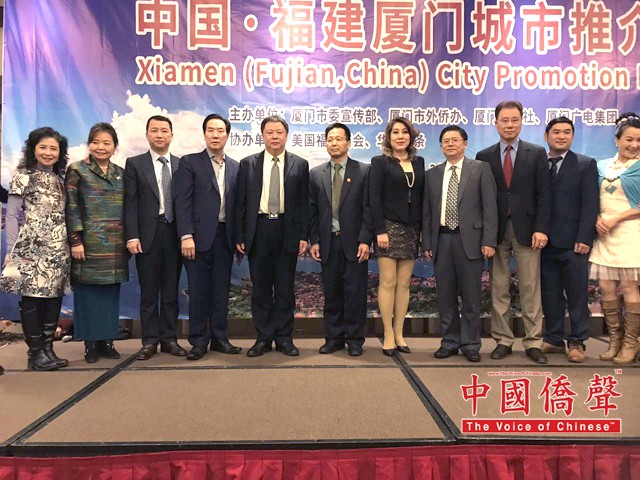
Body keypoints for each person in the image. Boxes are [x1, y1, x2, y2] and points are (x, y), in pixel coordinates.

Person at [476, 100, 551, 365]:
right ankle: (503, 340)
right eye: (504, 120)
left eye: (514, 120)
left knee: (530, 287)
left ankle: (533, 342)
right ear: (495, 123)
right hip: (496, 231)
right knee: (499, 288)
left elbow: (544, 194)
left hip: (528, 231)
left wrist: (541, 228)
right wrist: (485, 234)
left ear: (521, 122)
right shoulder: (484, 156)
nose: (509, 125)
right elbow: (481, 199)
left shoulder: (536, 153)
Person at [422, 125, 498, 362]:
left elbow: (490, 207)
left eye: (455, 140)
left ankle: (471, 344)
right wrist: (427, 242)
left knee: (471, 296)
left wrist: (489, 240)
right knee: (445, 296)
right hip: (442, 240)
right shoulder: (432, 175)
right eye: (445, 141)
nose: (450, 144)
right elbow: (427, 212)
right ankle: (449, 342)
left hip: (472, 242)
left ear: (465, 143)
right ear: (441, 146)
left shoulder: (480, 169)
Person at [235, 115, 309, 357]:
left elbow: (304, 204)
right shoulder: (248, 164)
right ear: (262, 135)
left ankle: (284, 339)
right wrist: (240, 235)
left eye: (279, 132)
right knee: (261, 289)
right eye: (270, 132)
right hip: (259, 229)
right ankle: (263, 338)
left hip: (287, 229)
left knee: (286, 289)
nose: (275, 136)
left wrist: (304, 235)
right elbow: (241, 204)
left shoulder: (300, 164)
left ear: (286, 135)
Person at [0, 127, 71, 370]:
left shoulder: (60, 179)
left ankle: (48, 350)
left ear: (60, 152)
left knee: (54, 297)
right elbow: (12, 215)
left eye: (53, 148)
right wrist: (10, 250)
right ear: (33, 150)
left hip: (58, 247)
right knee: (32, 298)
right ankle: (35, 353)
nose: (48, 153)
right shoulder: (23, 176)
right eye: (43, 147)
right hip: (31, 247)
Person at [174, 114, 242, 360]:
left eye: (220, 131)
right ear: (204, 134)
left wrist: (239, 238)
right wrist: (186, 235)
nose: (216, 135)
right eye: (211, 130)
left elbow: (239, 206)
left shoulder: (236, 166)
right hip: (197, 239)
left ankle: (220, 338)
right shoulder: (190, 162)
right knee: (199, 291)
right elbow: (182, 201)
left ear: (227, 135)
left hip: (225, 237)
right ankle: (199, 341)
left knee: (221, 291)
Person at [124, 115, 186, 361]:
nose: (159, 135)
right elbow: (130, 202)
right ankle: (149, 341)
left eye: (164, 131)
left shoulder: (182, 165)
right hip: (147, 236)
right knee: (149, 292)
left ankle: (169, 339)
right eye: (154, 130)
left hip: (174, 234)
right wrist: (132, 235)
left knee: (170, 291)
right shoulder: (135, 164)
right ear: (147, 134)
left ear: (171, 135)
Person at [65, 123, 128, 363]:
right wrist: (75, 239)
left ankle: (107, 342)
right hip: (87, 244)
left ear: (115, 147)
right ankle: (90, 344)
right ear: (89, 144)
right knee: (88, 295)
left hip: (115, 246)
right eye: (96, 142)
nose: (101, 147)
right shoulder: (77, 169)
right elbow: (71, 206)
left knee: (110, 296)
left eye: (106, 143)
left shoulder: (121, 173)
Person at [309, 123, 372, 356]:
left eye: (339, 139)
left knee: (355, 294)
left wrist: (365, 240)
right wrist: (315, 240)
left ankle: (354, 339)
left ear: (348, 142)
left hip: (355, 244)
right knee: (332, 293)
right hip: (328, 243)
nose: (334, 143)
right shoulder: (316, 174)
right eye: (330, 139)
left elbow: (369, 209)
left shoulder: (364, 171)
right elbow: (312, 211)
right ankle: (334, 338)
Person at [540, 117, 599, 363]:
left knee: (576, 295)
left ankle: (577, 341)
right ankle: (553, 338)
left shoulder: (585, 164)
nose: (561, 136)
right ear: (546, 136)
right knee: (550, 293)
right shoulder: (539, 164)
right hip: (544, 243)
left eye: (567, 132)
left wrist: (585, 236)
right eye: (556, 132)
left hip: (575, 243)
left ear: (573, 137)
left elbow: (590, 204)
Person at [369, 117, 425, 356]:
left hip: (412, 229)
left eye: (404, 132)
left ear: (411, 137)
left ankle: (400, 333)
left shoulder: (419, 162)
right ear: (388, 137)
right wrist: (380, 230)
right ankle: (388, 335)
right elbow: (373, 198)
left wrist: (421, 231)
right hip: (388, 229)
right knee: (388, 282)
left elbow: (422, 198)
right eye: (395, 132)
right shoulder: (380, 162)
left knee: (404, 284)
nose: (400, 136)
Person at [589, 112, 640, 365]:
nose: (634, 145)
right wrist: (598, 217)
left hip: (630, 232)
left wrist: (617, 218)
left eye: (639, 141)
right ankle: (614, 341)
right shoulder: (601, 166)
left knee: (629, 287)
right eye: (629, 139)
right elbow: (591, 197)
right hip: (604, 234)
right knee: (606, 287)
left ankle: (631, 343)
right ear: (617, 140)